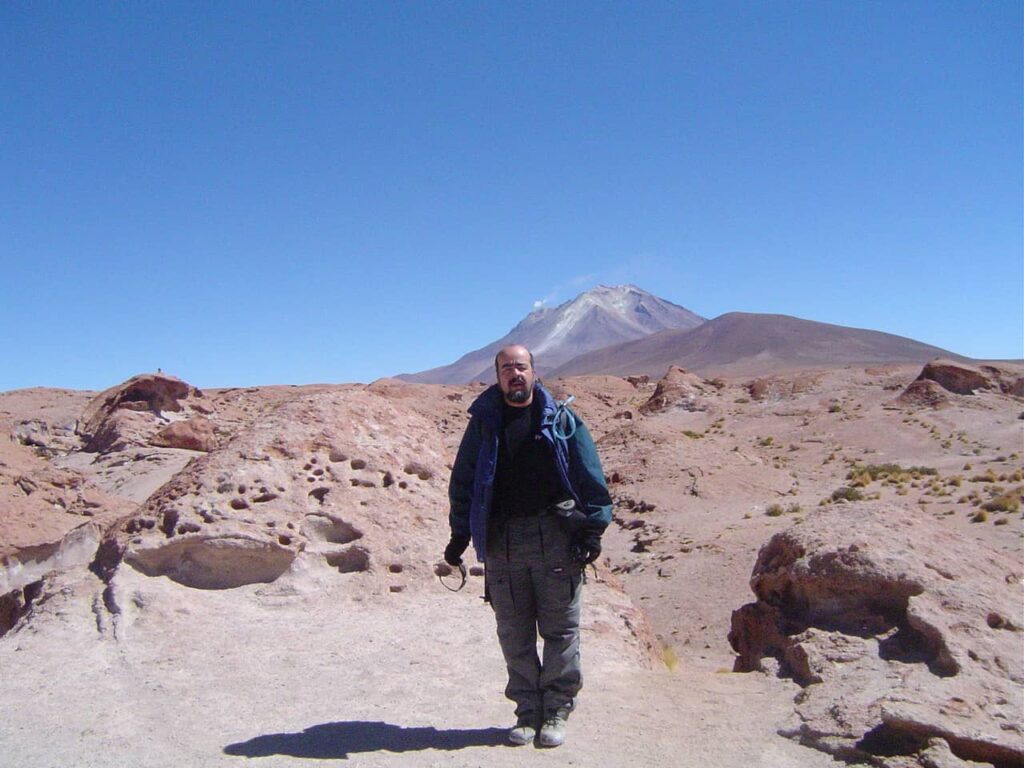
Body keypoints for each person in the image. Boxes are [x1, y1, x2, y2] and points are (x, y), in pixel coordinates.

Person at [444, 344, 612, 748]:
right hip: (503, 544)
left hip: (556, 540)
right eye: (506, 369)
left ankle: (556, 708)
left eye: (520, 367)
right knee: (513, 633)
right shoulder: (484, 424)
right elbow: (464, 481)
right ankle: (526, 712)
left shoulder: (563, 421)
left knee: (561, 631)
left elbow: (592, 479)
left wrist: (592, 530)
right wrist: (459, 536)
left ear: (534, 372)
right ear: (497, 376)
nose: (514, 374)